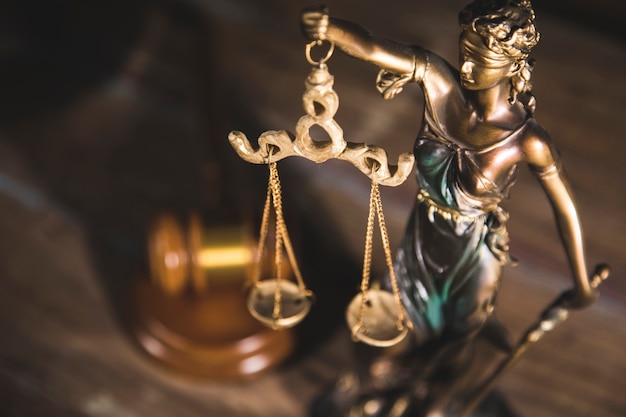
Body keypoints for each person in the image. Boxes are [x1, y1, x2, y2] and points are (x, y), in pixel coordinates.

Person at [302, 0, 597, 415]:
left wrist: (582, 285)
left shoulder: (527, 141)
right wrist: (329, 28)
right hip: (423, 236)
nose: (468, 68)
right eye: (464, 54)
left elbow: (565, 209)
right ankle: (387, 391)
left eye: (480, 60)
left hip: (472, 255)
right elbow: (372, 47)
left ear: (512, 63)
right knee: (387, 327)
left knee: (455, 344)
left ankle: (433, 399)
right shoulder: (440, 85)